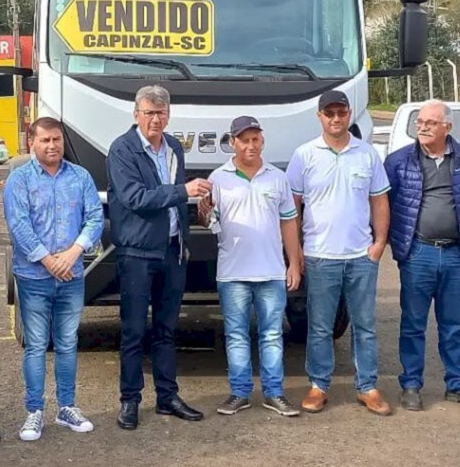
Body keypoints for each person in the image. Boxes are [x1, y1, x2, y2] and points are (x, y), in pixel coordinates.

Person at [106, 85, 212, 430]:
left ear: (169, 115)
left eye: (161, 112)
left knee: (167, 329)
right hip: (137, 252)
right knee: (134, 330)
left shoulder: (173, 148)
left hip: (171, 249)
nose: (156, 118)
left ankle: (167, 396)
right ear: (136, 114)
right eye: (149, 112)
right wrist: (183, 191)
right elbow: (135, 197)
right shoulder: (122, 149)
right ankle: (130, 400)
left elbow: (171, 201)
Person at [286, 90, 392, 416]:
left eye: (341, 112)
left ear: (349, 114)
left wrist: (378, 244)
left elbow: (379, 201)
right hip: (320, 257)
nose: (335, 119)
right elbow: (293, 207)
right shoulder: (304, 155)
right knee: (320, 326)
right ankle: (319, 386)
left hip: (361, 256)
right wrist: (298, 252)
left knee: (365, 325)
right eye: (329, 113)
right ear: (319, 117)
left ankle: (368, 387)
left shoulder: (367, 154)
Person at [384, 100, 460, 412]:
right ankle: (411, 385)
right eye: (420, 122)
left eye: (431, 122)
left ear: (448, 126)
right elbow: (385, 205)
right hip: (418, 253)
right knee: (413, 323)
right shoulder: (398, 161)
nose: (423, 127)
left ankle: (457, 384)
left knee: (452, 324)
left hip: (456, 254)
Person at [3, 117, 104, 441]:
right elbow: (18, 226)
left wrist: (73, 253)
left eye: (56, 140)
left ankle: (67, 407)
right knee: (35, 345)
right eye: (45, 140)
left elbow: (94, 217)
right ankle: (34, 412)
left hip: (72, 274)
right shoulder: (19, 180)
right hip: (33, 276)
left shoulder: (80, 177)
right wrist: (48, 260)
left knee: (67, 343)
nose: (51, 146)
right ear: (32, 141)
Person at [198, 116, 303, 417]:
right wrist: (204, 215)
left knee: (271, 334)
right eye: (244, 140)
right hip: (233, 273)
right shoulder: (218, 178)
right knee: (236, 335)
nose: (250, 145)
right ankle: (239, 393)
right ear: (233, 143)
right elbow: (210, 222)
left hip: (271, 270)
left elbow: (288, 223)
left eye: (256, 139)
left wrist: (293, 263)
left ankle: (274, 393)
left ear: (263, 141)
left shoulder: (277, 177)